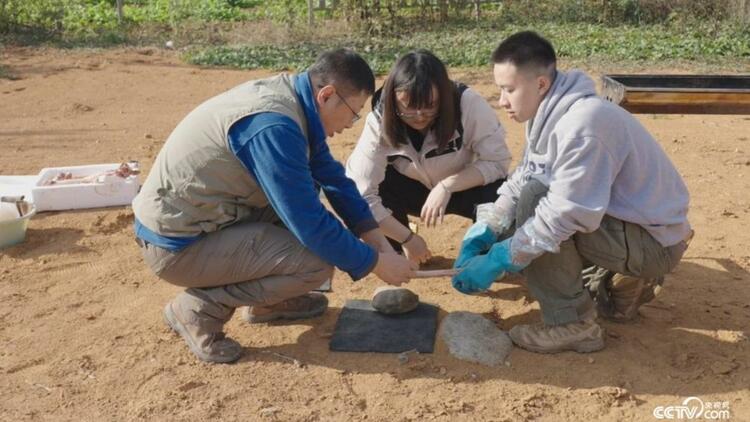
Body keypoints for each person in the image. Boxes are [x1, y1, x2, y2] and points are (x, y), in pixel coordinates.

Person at [132, 49, 415, 364]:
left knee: (307, 204)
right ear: (327, 95)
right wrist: (375, 262)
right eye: (354, 111)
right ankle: (198, 309)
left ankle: (269, 302)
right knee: (315, 264)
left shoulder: (293, 101)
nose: (352, 123)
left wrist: (375, 239)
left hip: (207, 217)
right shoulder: (274, 126)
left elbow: (332, 177)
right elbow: (309, 223)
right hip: (177, 246)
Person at [452, 31, 692, 354]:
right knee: (525, 210)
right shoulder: (549, 112)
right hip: (635, 227)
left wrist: (499, 257)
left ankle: (572, 325)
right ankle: (616, 280)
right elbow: (525, 173)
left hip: (655, 243)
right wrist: (488, 228)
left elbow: (560, 217)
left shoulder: (583, 126)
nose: (502, 101)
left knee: (536, 206)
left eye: (509, 90)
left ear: (540, 84)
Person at [345, 50, 512, 265]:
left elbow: (497, 162)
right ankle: (394, 250)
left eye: (430, 106)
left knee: (500, 192)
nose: (419, 116)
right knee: (376, 188)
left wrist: (446, 186)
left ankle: (485, 251)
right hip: (409, 189)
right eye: (408, 108)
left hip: (461, 186)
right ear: (394, 100)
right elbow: (362, 193)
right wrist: (407, 238)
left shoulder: (468, 104)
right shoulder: (380, 117)